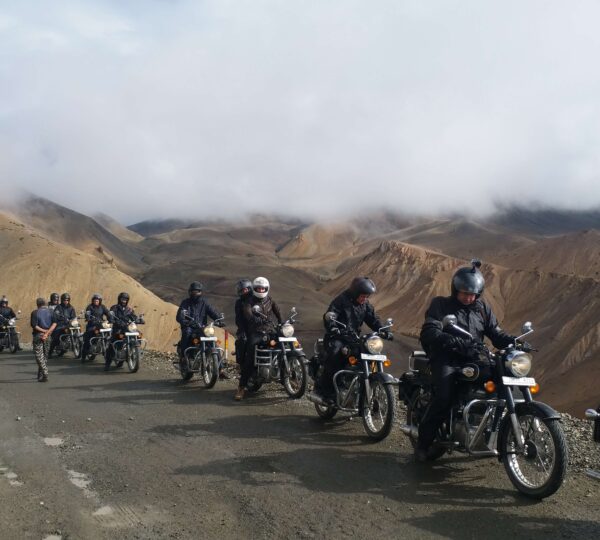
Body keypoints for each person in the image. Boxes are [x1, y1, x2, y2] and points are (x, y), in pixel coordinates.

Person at [415, 259, 524, 462]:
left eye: (472, 294)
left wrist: (515, 341)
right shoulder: (441, 304)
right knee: (445, 396)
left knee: (502, 381)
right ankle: (423, 443)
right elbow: (429, 330)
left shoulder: (482, 308)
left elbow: (495, 334)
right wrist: (451, 340)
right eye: (464, 293)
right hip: (446, 358)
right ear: (455, 290)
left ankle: (489, 431)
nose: (468, 297)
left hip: (474, 358)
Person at [313, 277, 391, 400]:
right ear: (355, 293)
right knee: (335, 354)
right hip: (336, 336)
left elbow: (373, 319)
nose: (365, 299)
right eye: (363, 296)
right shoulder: (341, 300)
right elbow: (331, 314)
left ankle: (361, 388)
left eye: (367, 296)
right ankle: (325, 391)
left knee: (368, 354)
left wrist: (383, 330)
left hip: (353, 338)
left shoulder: (365, 305)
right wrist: (332, 326)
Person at [235, 277, 282, 401]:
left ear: (266, 289)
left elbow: (277, 311)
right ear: (254, 289)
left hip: (270, 330)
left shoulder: (270, 300)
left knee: (284, 346)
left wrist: (282, 322)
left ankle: (289, 377)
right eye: (258, 288)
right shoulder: (249, 301)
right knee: (250, 357)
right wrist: (254, 319)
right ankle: (241, 387)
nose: (261, 290)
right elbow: (247, 313)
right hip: (256, 332)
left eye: (263, 288)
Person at [176, 281, 226, 375]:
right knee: (186, 333)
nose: (195, 293)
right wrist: (186, 321)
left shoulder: (204, 303)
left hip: (202, 328)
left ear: (201, 292)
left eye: (197, 291)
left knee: (213, 343)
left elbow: (212, 312)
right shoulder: (185, 303)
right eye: (193, 291)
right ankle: (183, 358)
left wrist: (219, 319)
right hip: (189, 327)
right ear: (190, 292)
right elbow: (180, 316)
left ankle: (220, 369)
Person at [104, 292, 139, 371]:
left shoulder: (129, 309)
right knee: (113, 343)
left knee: (138, 334)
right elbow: (110, 315)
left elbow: (133, 316)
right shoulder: (114, 308)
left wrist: (138, 319)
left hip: (127, 328)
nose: (124, 301)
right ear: (119, 299)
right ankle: (107, 363)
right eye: (123, 299)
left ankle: (133, 351)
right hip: (117, 328)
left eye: (126, 299)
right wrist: (112, 320)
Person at [30, 298, 56, 381]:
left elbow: (34, 325)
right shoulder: (51, 311)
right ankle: (41, 375)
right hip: (48, 336)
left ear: (37, 304)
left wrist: (44, 332)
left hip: (38, 335)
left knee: (39, 356)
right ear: (45, 304)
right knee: (44, 356)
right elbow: (55, 323)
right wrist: (47, 333)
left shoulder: (34, 312)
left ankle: (44, 372)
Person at [80, 293, 111, 360]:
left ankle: (106, 346)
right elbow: (87, 314)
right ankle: (84, 356)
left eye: (97, 300)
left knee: (109, 332)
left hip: (100, 325)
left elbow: (108, 313)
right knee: (87, 339)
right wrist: (88, 317)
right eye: (94, 300)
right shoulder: (90, 307)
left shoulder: (102, 307)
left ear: (100, 301)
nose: (96, 301)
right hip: (92, 325)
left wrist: (110, 318)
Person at [49, 293, 77, 358]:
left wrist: (73, 319)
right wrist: (63, 318)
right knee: (56, 338)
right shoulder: (59, 307)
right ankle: (50, 352)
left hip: (69, 324)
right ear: (62, 300)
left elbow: (73, 316)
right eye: (64, 300)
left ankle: (76, 341)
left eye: (67, 300)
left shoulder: (71, 307)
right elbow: (56, 315)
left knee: (78, 326)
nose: (66, 301)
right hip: (60, 324)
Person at [234, 279, 253, 368]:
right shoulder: (239, 303)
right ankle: (242, 365)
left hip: (257, 327)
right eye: (241, 290)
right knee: (243, 341)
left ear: (250, 288)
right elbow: (238, 318)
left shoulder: (255, 299)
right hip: (244, 328)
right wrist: (242, 330)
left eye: (245, 289)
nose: (243, 292)